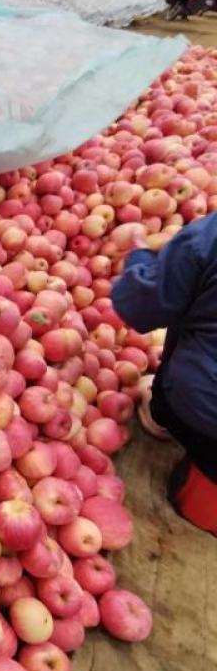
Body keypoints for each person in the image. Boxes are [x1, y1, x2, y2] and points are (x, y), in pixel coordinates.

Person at [111, 213, 217, 533]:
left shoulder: (206, 238)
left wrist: (140, 255)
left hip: (204, 412)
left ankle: (163, 414)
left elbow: (141, 306)